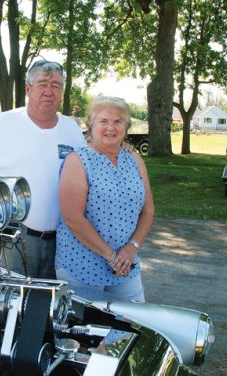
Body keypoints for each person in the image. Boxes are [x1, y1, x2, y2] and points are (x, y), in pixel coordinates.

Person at [0, 60, 86, 279]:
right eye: (43, 84)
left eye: (56, 85)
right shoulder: (4, 124)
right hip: (15, 239)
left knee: (52, 307)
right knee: (11, 307)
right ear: (28, 89)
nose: (49, 91)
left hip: (64, 240)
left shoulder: (71, 128)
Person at [55, 96, 155, 302]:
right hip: (81, 267)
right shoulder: (78, 159)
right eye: (103, 121)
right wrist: (111, 256)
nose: (111, 127)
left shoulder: (134, 158)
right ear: (91, 124)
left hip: (126, 266)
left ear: (126, 126)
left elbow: (148, 210)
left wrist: (131, 248)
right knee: (84, 332)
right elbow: (73, 218)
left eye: (118, 121)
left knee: (133, 326)